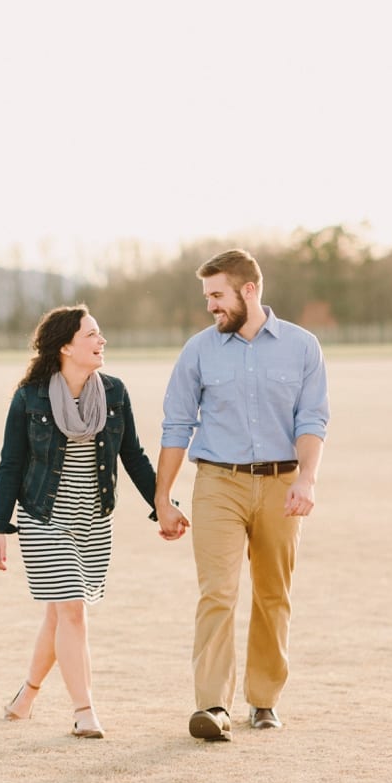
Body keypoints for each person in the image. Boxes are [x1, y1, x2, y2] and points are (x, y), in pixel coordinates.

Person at [0, 304, 190, 738]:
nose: (102, 342)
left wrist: (162, 504)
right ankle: (84, 711)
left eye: (100, 334)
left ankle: (26, 696)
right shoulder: (30, 397)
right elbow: (11, 463)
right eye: (92, 335)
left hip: (93, 522)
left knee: (60, 615)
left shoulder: (113, 392)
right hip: (44, 519)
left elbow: (131, 455)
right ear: (65, 346)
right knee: (73, 610)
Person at [153, 249, 330, 742]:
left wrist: (307, 478)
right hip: (217, 483)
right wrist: (162, 498)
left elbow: (312, 419)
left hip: (281, 483)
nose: (211, 306)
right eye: (207, 297)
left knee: (273, 594)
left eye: (217, 296)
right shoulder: (198, 351)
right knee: (218, 593)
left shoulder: (302, 347)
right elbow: (176, 426)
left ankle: (264, 701)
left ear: (248, 290)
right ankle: (212, 705)